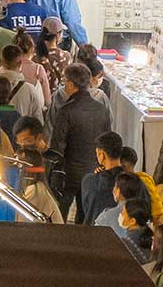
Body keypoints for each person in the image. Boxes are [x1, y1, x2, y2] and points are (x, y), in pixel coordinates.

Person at [50, 59, 115, 219]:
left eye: (65, 82)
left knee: (60, 213)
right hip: (93, 171)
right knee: (84, 214)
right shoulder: (101, 109)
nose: (64, 86)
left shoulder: (66, 111)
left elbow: (57, 145)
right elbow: (107, 138)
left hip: (69, 173)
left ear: (72, 84)